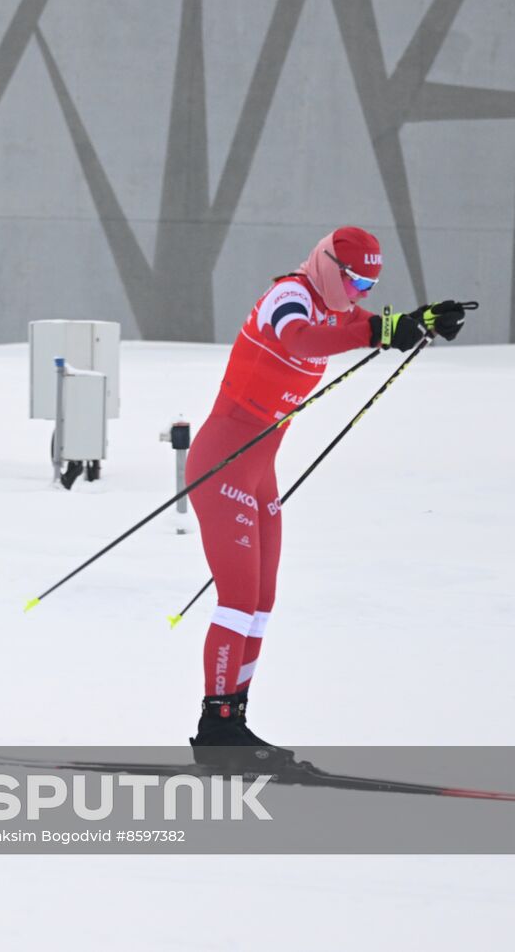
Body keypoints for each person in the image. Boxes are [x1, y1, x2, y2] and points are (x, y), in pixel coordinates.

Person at [185, 226, 468, 766]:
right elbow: (300, 340)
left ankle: (234, 721)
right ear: (328, 266)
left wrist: (422, 321)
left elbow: (374, 325)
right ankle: (214, 726)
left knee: (262, 606)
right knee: (237, 602)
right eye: (355, 280)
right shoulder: (290, 295)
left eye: (370, 284)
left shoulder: (339, 309)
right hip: (222, 464)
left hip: (259, 470)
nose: (360, 292)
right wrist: (380, 331)